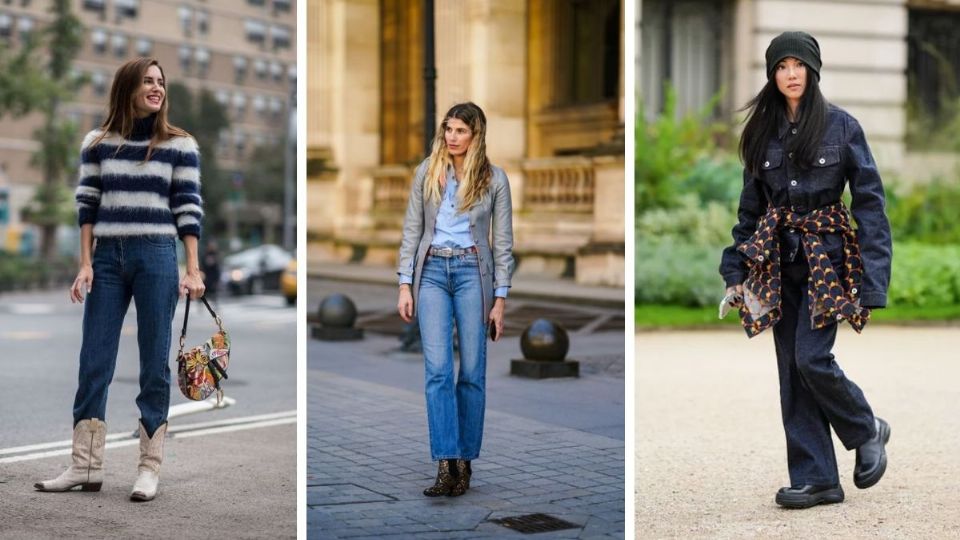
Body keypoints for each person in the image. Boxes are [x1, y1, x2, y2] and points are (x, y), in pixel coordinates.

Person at [719, 31, 893, 509]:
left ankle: (864, 427)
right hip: (778, 264)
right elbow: (749, 212)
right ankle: (818, 478)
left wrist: (872, 283)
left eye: (798, 65)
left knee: (811, 359)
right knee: (791, 372)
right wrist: (735, 269)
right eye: (781, 66)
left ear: (813, 71)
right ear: (772, 75)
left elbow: (871, 206)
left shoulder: (842, 127)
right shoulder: (760, 134)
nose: (790, 74)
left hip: (828, 262)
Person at [35, 58, 205, 502]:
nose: (157, 88)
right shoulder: (98, 143)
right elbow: (86, 207)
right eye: (148, 81)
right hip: (107, 259)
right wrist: (85, 263)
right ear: (127, 87)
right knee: (94, 361)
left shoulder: (180, 144)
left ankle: (149, 468)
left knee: (153, 364)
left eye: (161, 82)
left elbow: (187, 208)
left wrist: (193, 268)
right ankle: (84, 466)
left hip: (156, 254)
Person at [396, 102, 514, 497]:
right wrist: (404, 283)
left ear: (476, 134)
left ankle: (465, 460)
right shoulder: (426, 173)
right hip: (431, 273)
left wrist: (500, 300)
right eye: (448, 129)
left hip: (471, 275)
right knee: (438, 371)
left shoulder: (494, 180)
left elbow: (503, 245)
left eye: (461, 130)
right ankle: (446, 463)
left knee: (473, 373)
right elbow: (411, 231)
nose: (452, 136)